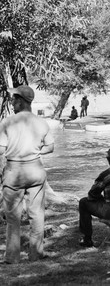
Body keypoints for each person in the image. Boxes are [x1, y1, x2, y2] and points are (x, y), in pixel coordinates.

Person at [0, 85, 54, 263]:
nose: (12, 102)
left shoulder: (8, 122)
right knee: (37, 214)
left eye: (14, 99)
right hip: (35, 170)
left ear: (21, 101)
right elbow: (50, 147)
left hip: (14, 171)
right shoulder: (41, 122)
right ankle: (36, 253)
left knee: (13, 217)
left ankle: (12, 257)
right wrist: (36, 153)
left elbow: (1, 149)